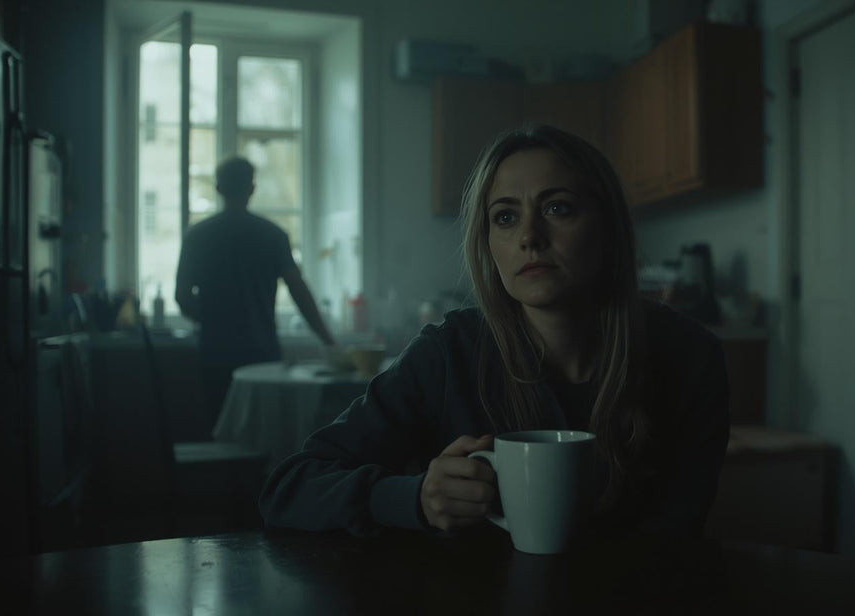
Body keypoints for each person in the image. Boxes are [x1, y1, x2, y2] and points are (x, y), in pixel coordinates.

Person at [259, 125, 729, 538]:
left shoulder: (688, 355)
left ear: (608, 227)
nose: (529, 236)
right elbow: (290, 488)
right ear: (487, 244)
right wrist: (414, 497)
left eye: (558, 208)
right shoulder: (449, 353)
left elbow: (677, 536)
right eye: (505, 216)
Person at [176, 156, 336, 438]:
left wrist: (212, 319)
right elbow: (298, 291)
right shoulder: (273, 235)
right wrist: (328, 340)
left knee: (221, 436)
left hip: (214, 352)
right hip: (261, 351)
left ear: (218, 189)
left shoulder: (197, 236)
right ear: (251, 188)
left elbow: (182, 297)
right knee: (266, 437)